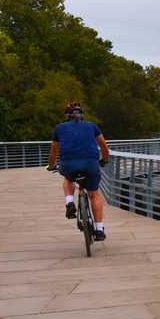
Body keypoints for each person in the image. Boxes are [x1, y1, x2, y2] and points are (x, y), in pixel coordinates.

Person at [46, 102, 110, 241]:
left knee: (68, 178)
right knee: (94, 194)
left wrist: (51, 166)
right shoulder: (92, 126)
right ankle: (99, 229)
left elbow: (53, 152)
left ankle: (69, 202)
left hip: (68, 164)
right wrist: (104, 160)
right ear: (82, 114)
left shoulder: (59, 128)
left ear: (67, 115)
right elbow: (104, 146)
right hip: (90, 164)